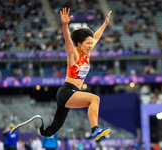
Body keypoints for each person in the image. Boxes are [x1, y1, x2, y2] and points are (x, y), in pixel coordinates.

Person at [39, 7, 112, 141]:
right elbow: (67, 38)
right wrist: (65, 25)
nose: (91, 46)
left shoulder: (87, 52)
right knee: (94, 99)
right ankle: (95, 130)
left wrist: (104, 25)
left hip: (72, 93)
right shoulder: (73, 54)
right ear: (79, 43)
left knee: (58, 122)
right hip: (67, 91)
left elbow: (96, 36)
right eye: (88, 43)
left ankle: (48, 131)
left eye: (91, 43)